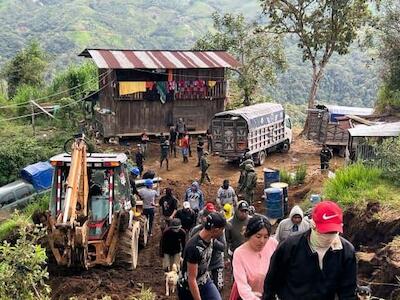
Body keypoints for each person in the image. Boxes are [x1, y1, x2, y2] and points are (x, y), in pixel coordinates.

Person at [262, 201, 357, 300]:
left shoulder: (346, 252)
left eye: (333, 232)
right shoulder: (289, 247)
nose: (328, 236)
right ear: (313, 225)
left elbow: (348, 292)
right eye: (324, 231)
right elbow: (271, 283)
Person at [178, 212, 226, 300]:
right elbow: (192, 279)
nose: (223, 232)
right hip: (188, 287)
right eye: (222, 230)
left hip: (204, 280)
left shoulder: (210, 238)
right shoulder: (194, 248)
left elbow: (222, 247)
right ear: (215, 230)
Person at [230, 215, 278, 300]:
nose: (262, 241)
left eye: (266, 237)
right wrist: (252, 297)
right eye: (258, 236)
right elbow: (242, 285)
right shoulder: (239, 254)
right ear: (249, 234)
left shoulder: (273, 244)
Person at [189, 207, 226, 293]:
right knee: (202, 288)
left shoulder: (219, 231)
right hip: (202, 264)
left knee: (219, 287)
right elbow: (190, 247)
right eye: (205, 217)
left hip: (216, 262)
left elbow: (223, 246)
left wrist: (212, 240)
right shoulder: (196, 230)